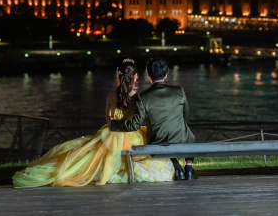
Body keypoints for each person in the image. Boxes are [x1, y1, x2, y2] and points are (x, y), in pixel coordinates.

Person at [12, 59, 174, 187]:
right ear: (136, 76)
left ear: (118, 75)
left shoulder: (111, 95)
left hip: (114, 132)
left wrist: (115, 127)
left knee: (89, 149)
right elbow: (139, 121)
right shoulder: (139, 97)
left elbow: (108, 118)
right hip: (134, 134)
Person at [109, 57, 197, 180]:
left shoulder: (143, 97)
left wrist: (114, 124)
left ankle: (177, 166)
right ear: (166, 74)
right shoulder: (179, 91)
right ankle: (188, 167)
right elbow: (186, 115)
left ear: (148, 75)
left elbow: (135, 125)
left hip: (158, 140)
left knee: (162, 140)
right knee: (190, 132)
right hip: (181, 136)